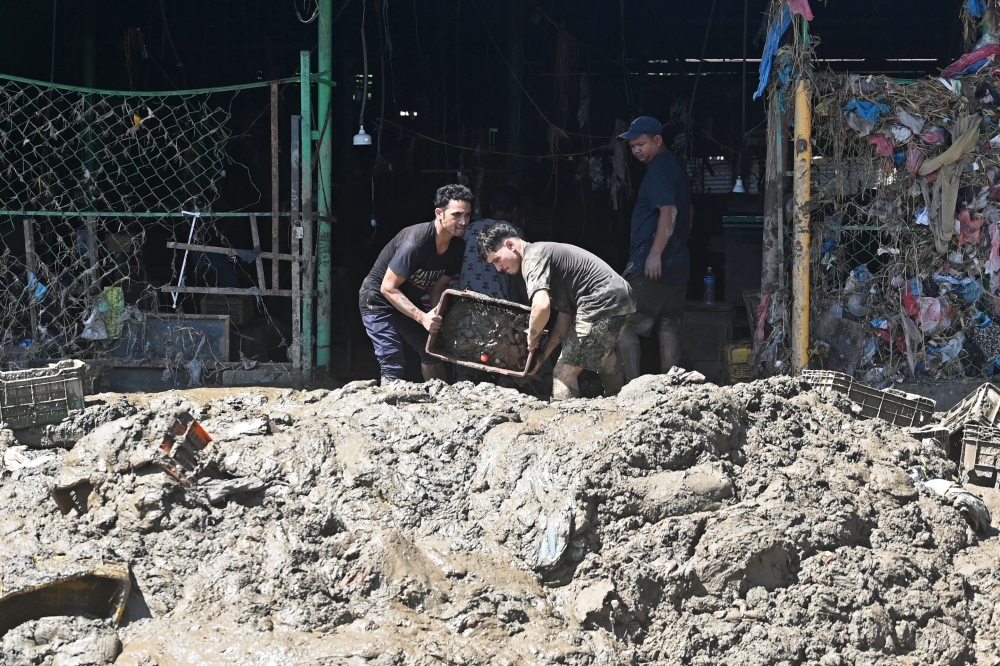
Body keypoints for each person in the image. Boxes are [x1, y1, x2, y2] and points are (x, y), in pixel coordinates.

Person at [479, 222, 635, 400]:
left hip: (602, 299)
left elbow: (541, 305)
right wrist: (542, 355)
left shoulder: (533, 257)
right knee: (603, 353)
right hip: (619, 297)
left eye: (497, 260)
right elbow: (565, 319)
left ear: (510, 245)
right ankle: (617, 401)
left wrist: (531, 338)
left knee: (563, 372)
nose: (498, 269)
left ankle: (563, 421)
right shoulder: (546, 255)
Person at [359, 184, 472, 383]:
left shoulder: (457, 246)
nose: (463, 222)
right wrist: (422, 318)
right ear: (439, 213)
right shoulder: (415, 242)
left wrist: (437, 317)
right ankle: (387, 405)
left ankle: (442, 401)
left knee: (432, 351)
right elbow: (388, 287)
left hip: (408, 301)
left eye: (467, 215)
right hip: (378, 300)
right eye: (456, 215)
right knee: (392, 360)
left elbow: (437, 289)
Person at [615, 116, 693, 381]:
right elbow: (687, 212)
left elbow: (668, 211)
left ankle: (631, 387)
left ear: (658, 140)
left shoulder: (659, 168)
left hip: (653, 262)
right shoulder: (675, 166)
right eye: (633, 146)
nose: (636, 150)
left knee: (619, 319)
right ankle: (672, 385)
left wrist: (655, 254)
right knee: (668, 324)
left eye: (641, 144)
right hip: (678, 263)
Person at [459, 184, 522, 300]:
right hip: (499, 301)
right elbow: (517, 278)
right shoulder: (515, 233)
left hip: (465, 297)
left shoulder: (470, 228)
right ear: (515, 210)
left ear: (491, 207)